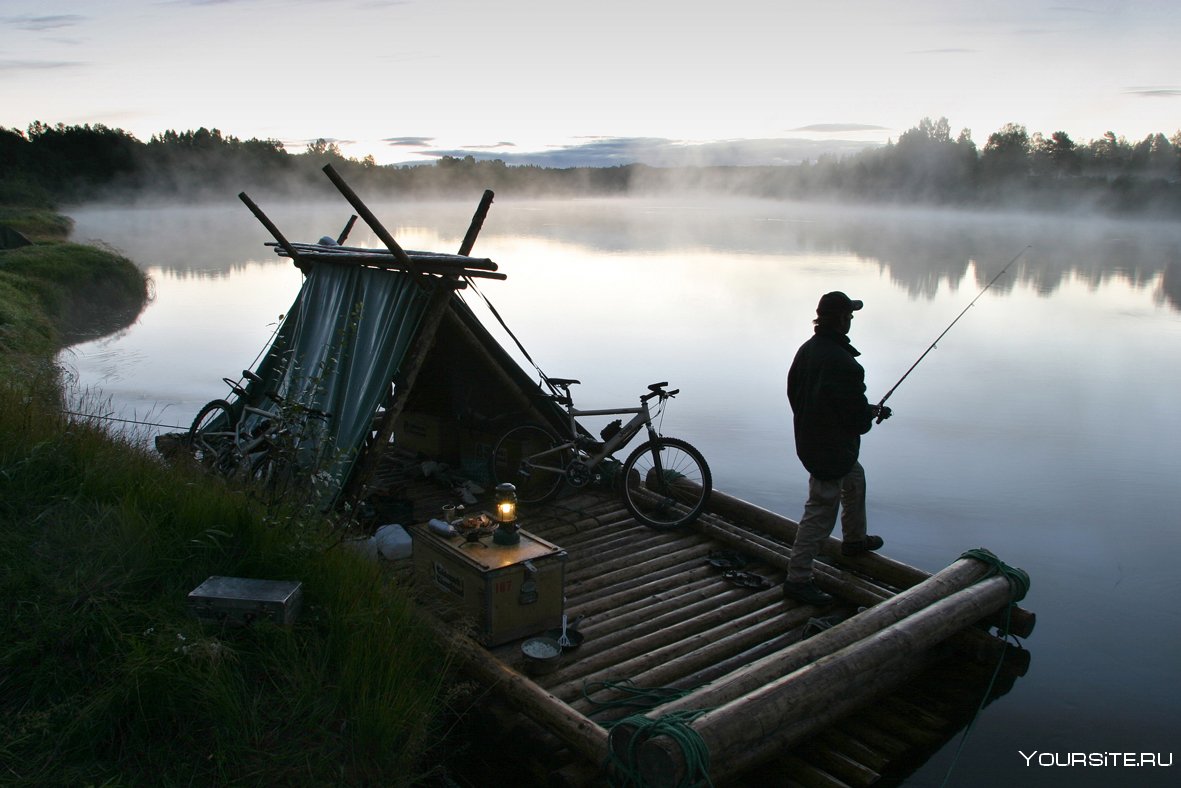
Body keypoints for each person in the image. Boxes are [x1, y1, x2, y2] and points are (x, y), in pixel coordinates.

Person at [783, 291, 891, 606]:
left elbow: (798, 394)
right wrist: (867, 414)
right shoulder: (845, 364)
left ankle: (854, 540)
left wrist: (853, 411)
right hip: (830, 450)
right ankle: (798, 578)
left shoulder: (807, 351)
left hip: (810, 439)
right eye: (849, 316)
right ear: (841, 319)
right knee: (820, 511)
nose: (852, 320)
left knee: (855, 478)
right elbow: (858, 421)